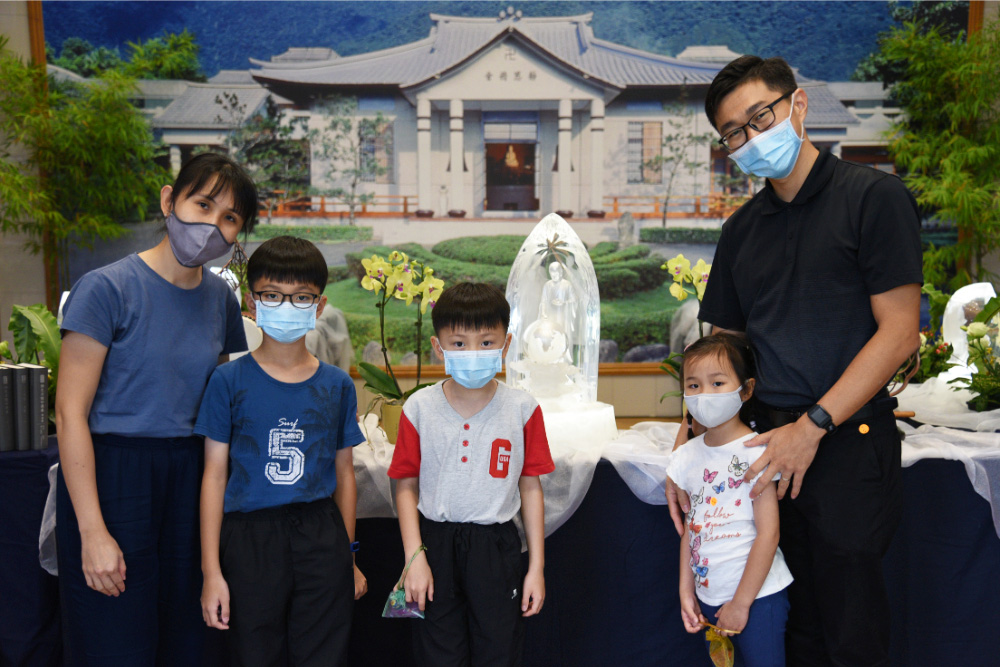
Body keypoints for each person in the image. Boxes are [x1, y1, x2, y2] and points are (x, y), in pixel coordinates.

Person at [666, 56, 922, 666]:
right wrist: (691, 436)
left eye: (761, 118)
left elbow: (899, 334)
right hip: (761, 449)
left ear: (797, 105)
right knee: (785, 624)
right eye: (734, 133)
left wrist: (813, 427)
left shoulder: (874, 198)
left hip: (846, 440)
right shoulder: (741, 230)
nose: (751, 138)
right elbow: (724, 350)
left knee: (847, 627)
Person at [55, 153, 258, 664]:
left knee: (189, 639)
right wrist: (92, 531)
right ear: (170, 200)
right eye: (202, 205)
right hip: (115, 476)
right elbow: (69, 414)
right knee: (114, 638)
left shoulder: (221, 300)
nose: (211, 226)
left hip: (191, 476)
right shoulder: (106, 288)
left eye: (229, 218)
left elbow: (215, 404)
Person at [195, 236, 368, 666]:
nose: (286, 306)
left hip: (320, 533)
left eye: (301, 297)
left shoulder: (337, 385)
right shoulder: (228, 381)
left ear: (319, 305)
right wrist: (211, 571)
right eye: (272, 295)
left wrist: (347, 557)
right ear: (252, 303)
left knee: (323, 653)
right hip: (249, 538)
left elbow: (345, 474)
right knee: (254, 653)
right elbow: (214, 475)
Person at [388, 282, 555, 666]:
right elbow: (405, 486)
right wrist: (414, 559)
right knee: (438, 653)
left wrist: (536, 568)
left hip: (495, 547)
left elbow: (531, 488)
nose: (473, 353)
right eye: (459, 343)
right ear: (438, 347)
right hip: (434, 544)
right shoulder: (419, 408)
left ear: (505, 345)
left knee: (499, 650)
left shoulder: (523, 409)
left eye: (486, 342)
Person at [667, 333, 793, 666]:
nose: (704, 394)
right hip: (709, 596)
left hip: (759, 596)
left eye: (718, 383)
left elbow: (769, 533)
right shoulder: (686, 455)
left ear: (746, 389)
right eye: (693, 385)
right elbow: (692, 527)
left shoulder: (758, 451)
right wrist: (686, 590)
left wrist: (741, 603)